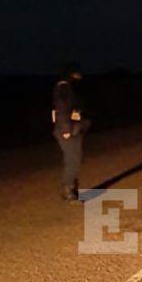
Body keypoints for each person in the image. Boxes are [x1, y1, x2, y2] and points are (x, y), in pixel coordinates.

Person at [52, 63, 88, 202]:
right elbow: (61, 109)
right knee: (72, 159)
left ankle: (72, 189)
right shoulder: (63, 88)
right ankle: (68, 191)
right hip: (66, 129)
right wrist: (66, 129)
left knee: (75, 157)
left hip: (73, 128)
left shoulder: (68, 88)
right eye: (76, 74)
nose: (79, 77)